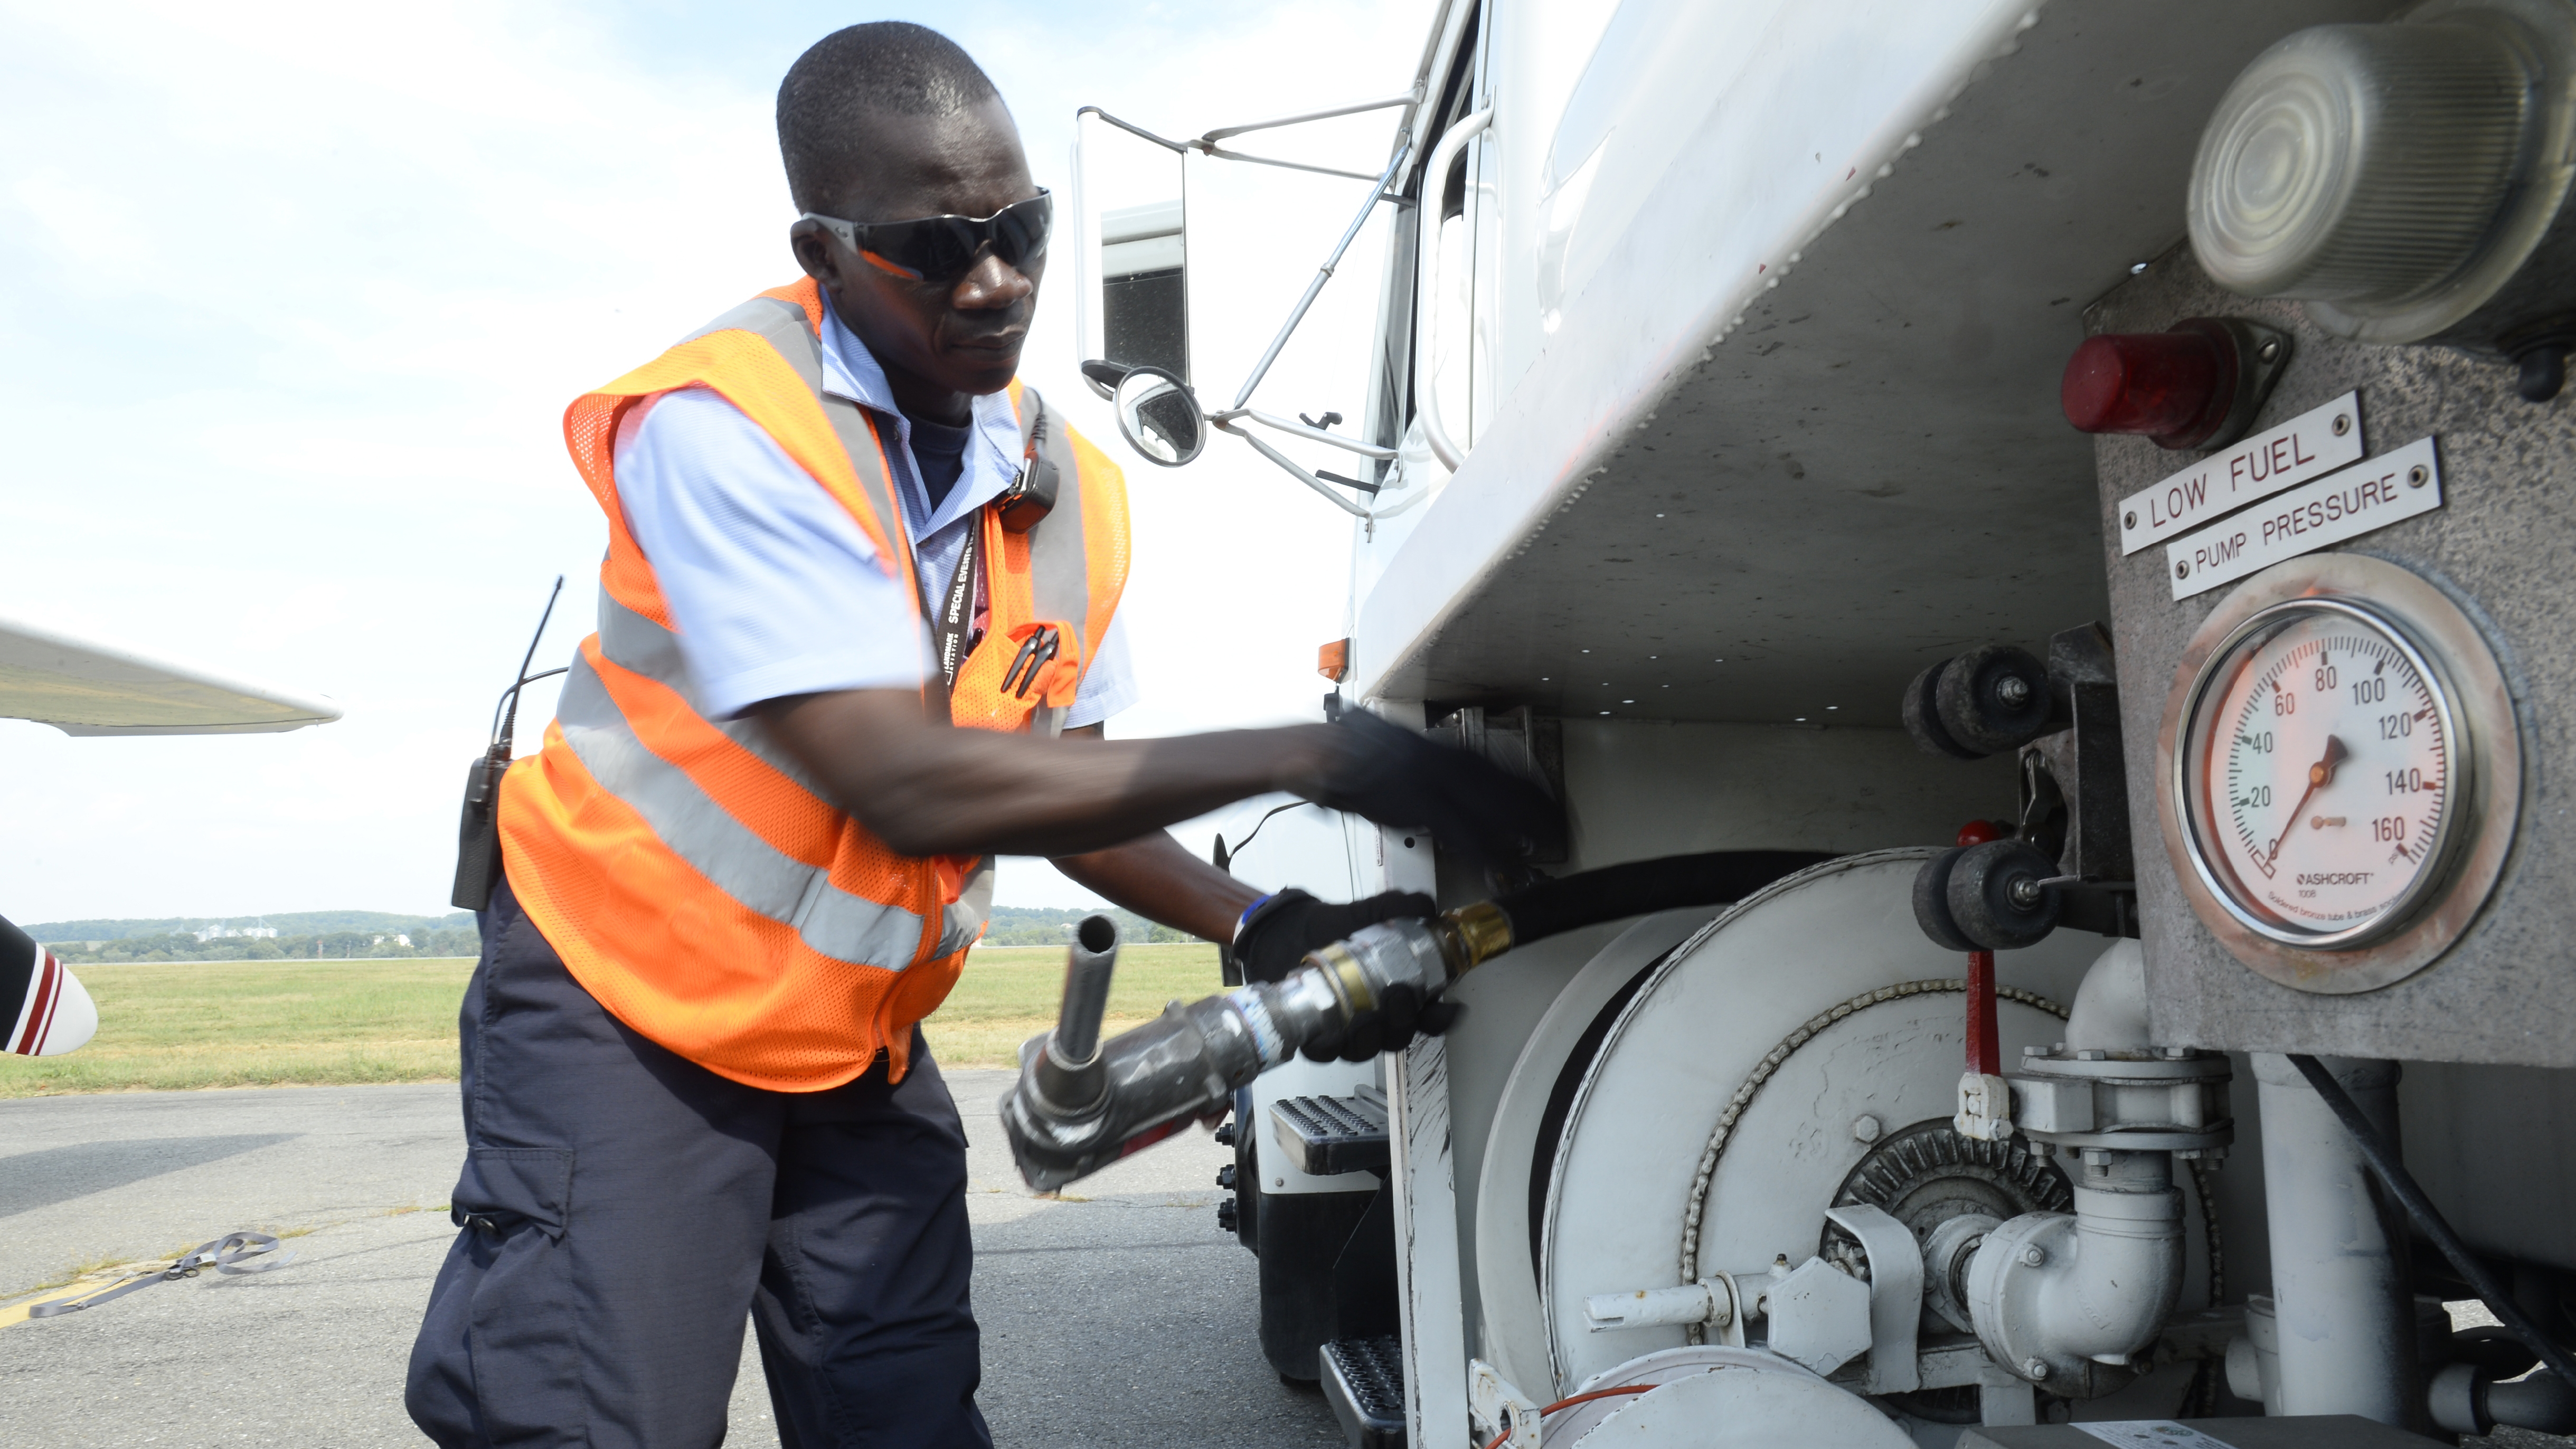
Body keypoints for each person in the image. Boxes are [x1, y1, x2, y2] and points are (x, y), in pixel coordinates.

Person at [404, 22, 1558, 1449]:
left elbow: (1064, 786)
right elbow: (903, 784)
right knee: (597, 1424)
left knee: (906, 1418)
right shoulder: (726, 427)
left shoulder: (1064, 484)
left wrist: (1262, 918)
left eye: (1021, 228)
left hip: (854, 1042)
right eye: (938, 247)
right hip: (628, 1013)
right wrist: (1308, 752)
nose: (997, 278)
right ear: (823, 253)